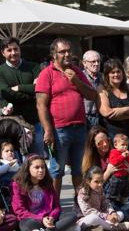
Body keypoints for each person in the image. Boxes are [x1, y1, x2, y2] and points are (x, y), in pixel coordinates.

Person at [36, 38, 97, 194]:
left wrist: (76, 80)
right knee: (57, 171)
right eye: (62, 51)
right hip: (59, 129)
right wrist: (48, 130)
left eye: (69, 50)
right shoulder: (46, 74)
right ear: (54, 54)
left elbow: (92, 95)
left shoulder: (76, 71)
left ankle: (79, 207)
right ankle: (54, 207)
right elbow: (41, 105)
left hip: (79, 128)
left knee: (79, 170)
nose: (67, 54)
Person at [11, 155, 80, 231]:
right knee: (30, 224)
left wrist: (51, 217)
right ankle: (60, 230)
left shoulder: (47, 182)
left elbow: (56, 206)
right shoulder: (17, 185)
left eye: (43, 167)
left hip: (49, 218)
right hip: (31, 219)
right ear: (28, 169)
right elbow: (20, 211)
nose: (41, 170)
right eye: (36, 167)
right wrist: (41, 219)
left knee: (72, 216)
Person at [0, 37, 44, 155]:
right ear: (3, 53)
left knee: (37, 158)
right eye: (9, 50)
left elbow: (40, 89)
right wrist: (31, 95)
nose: (13, 53)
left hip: (34, 121)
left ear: (20, 49)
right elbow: (6, 94)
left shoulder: (34, 67)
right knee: (15, 160)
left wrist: (20, 88)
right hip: (12, 123)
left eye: (16, 49)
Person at [98, 58, 129, 152]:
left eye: (118, 71)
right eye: (112, 72)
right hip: (113, 136)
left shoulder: (128, 87)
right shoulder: (102, 89)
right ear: (107, 74)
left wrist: (122, 110)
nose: (116, 75)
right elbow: (107, 113)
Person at [76, 167, 129, 231]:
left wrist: (112, 213)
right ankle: (114, 227)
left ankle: (94, 229)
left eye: (101, 181)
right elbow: (88, 211)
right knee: (93, 218)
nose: (100, 184)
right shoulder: (83, 192)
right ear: (88, 181)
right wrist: (106, 216)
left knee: (120, 214)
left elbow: (106, 203)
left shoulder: (100, 190)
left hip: (101, 218)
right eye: (96, 182)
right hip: (85, 220)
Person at [81, 50, 103, 128]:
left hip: (102, 116)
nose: (96, 64)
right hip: (85, 116)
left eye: (98, 61)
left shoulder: (103, 77)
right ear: (84, 63)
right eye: (93, 61)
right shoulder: (79, 77)